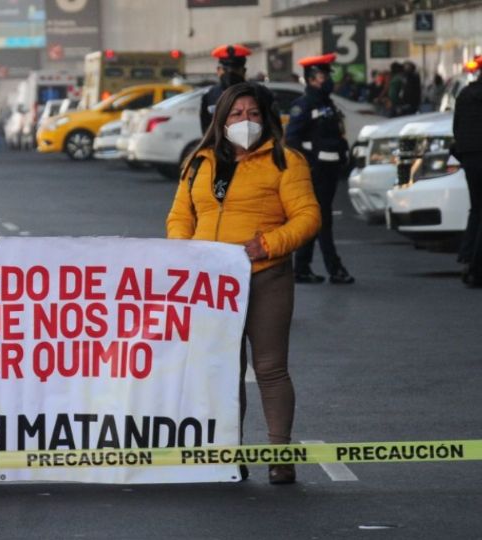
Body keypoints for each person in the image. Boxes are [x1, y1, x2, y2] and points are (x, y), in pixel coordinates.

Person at [168, 83, 321, 484]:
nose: (245, 122)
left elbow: (308, 217)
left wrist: (267, 245)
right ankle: (228, 455)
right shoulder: (198, 163)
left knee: (270, 369)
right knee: (221, 371)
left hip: (265, 275)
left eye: (253, 114)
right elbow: (181, 216)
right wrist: (181, 253)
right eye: (236, 115)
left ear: (267, 118)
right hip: (211, 284)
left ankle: (279, 453)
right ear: (220, 120)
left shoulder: (286, 162)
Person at [286, 53, 355, 284]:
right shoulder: (303, 105)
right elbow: (292, 139)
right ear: (311, 79)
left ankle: (302, 268)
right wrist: (309, 163)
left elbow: (335, 134)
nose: (327, 80)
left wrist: (344, 152)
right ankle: (334, 268)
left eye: (327, 75)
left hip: (330, 170)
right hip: (315, 172)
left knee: (317, 218)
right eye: (322, 75)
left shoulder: (328, 105)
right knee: (322, 219)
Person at [452, 59, 482, 288]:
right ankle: (475, 264)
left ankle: (467, 254)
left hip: (470, 157)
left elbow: (457, 127)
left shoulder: (465, 94)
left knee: (476, 208)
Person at [200, 44, 250, 134]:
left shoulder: (257, 94)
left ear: (243, 71)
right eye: (226, 69)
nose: (230, 73)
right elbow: (206, 127)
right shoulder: (209, 96)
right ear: (218, 70)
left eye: (235, 69)